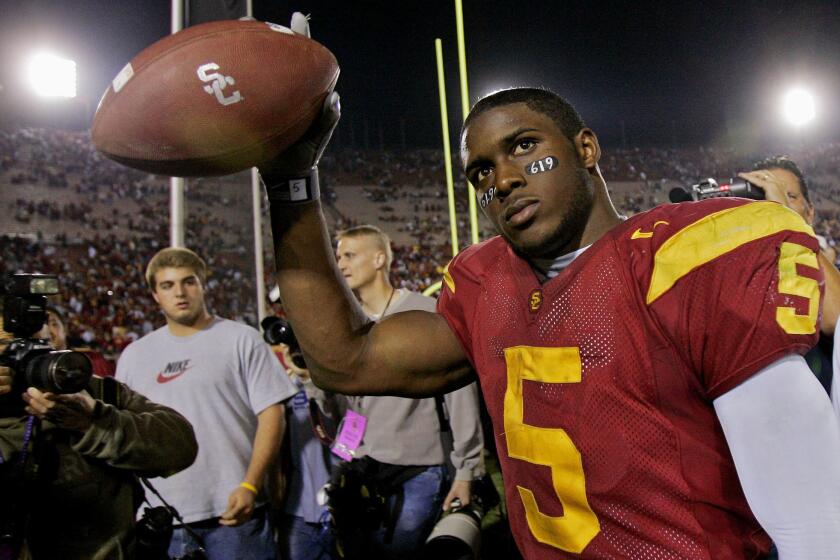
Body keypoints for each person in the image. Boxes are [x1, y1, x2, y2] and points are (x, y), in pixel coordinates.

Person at [257, 17, 840, 554]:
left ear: (585, 149)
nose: (504, 179)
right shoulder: (483, 286)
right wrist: (290, 180)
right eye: (481, 172)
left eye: (524, 146)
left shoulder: (685, 258)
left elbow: (810, 514)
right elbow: (346, 360)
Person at [116, 247, 297, 560]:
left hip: (234, 514)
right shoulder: (135, 355)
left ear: (203, 285)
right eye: (167, 285)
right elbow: (126, 432)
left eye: (189, 282)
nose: (180, 293)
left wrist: (251, 485)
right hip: (161, 518)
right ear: (155, 295)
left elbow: (272, 414)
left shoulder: (241, 339)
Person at [333, 224, 484, 558]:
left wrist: (466, 470)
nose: (340, 263)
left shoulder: (423, 312)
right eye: (339, 255)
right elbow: (355, 405)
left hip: (420, 467)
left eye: (349, 255)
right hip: (367, 465)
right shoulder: (347, 322)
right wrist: (344, 456)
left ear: (379, 259)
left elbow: (459, 394)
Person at [0, 324, 198, 559]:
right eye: (7, 346)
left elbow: (180, 447)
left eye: (28, 340)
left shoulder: (93, 392)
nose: (21, 353)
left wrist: (93, 423)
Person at [275, 342, 343, 560]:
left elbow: (350, 430)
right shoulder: (282, 387)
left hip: (341, 506)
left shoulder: (342, 380)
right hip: (297, 512)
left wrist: (310, 378)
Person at [37, 305, 116, 377]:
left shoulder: (92, 361)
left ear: (65, 329)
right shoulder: (32, 369)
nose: (46, 330)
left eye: (53, 324)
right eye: (40, 325)